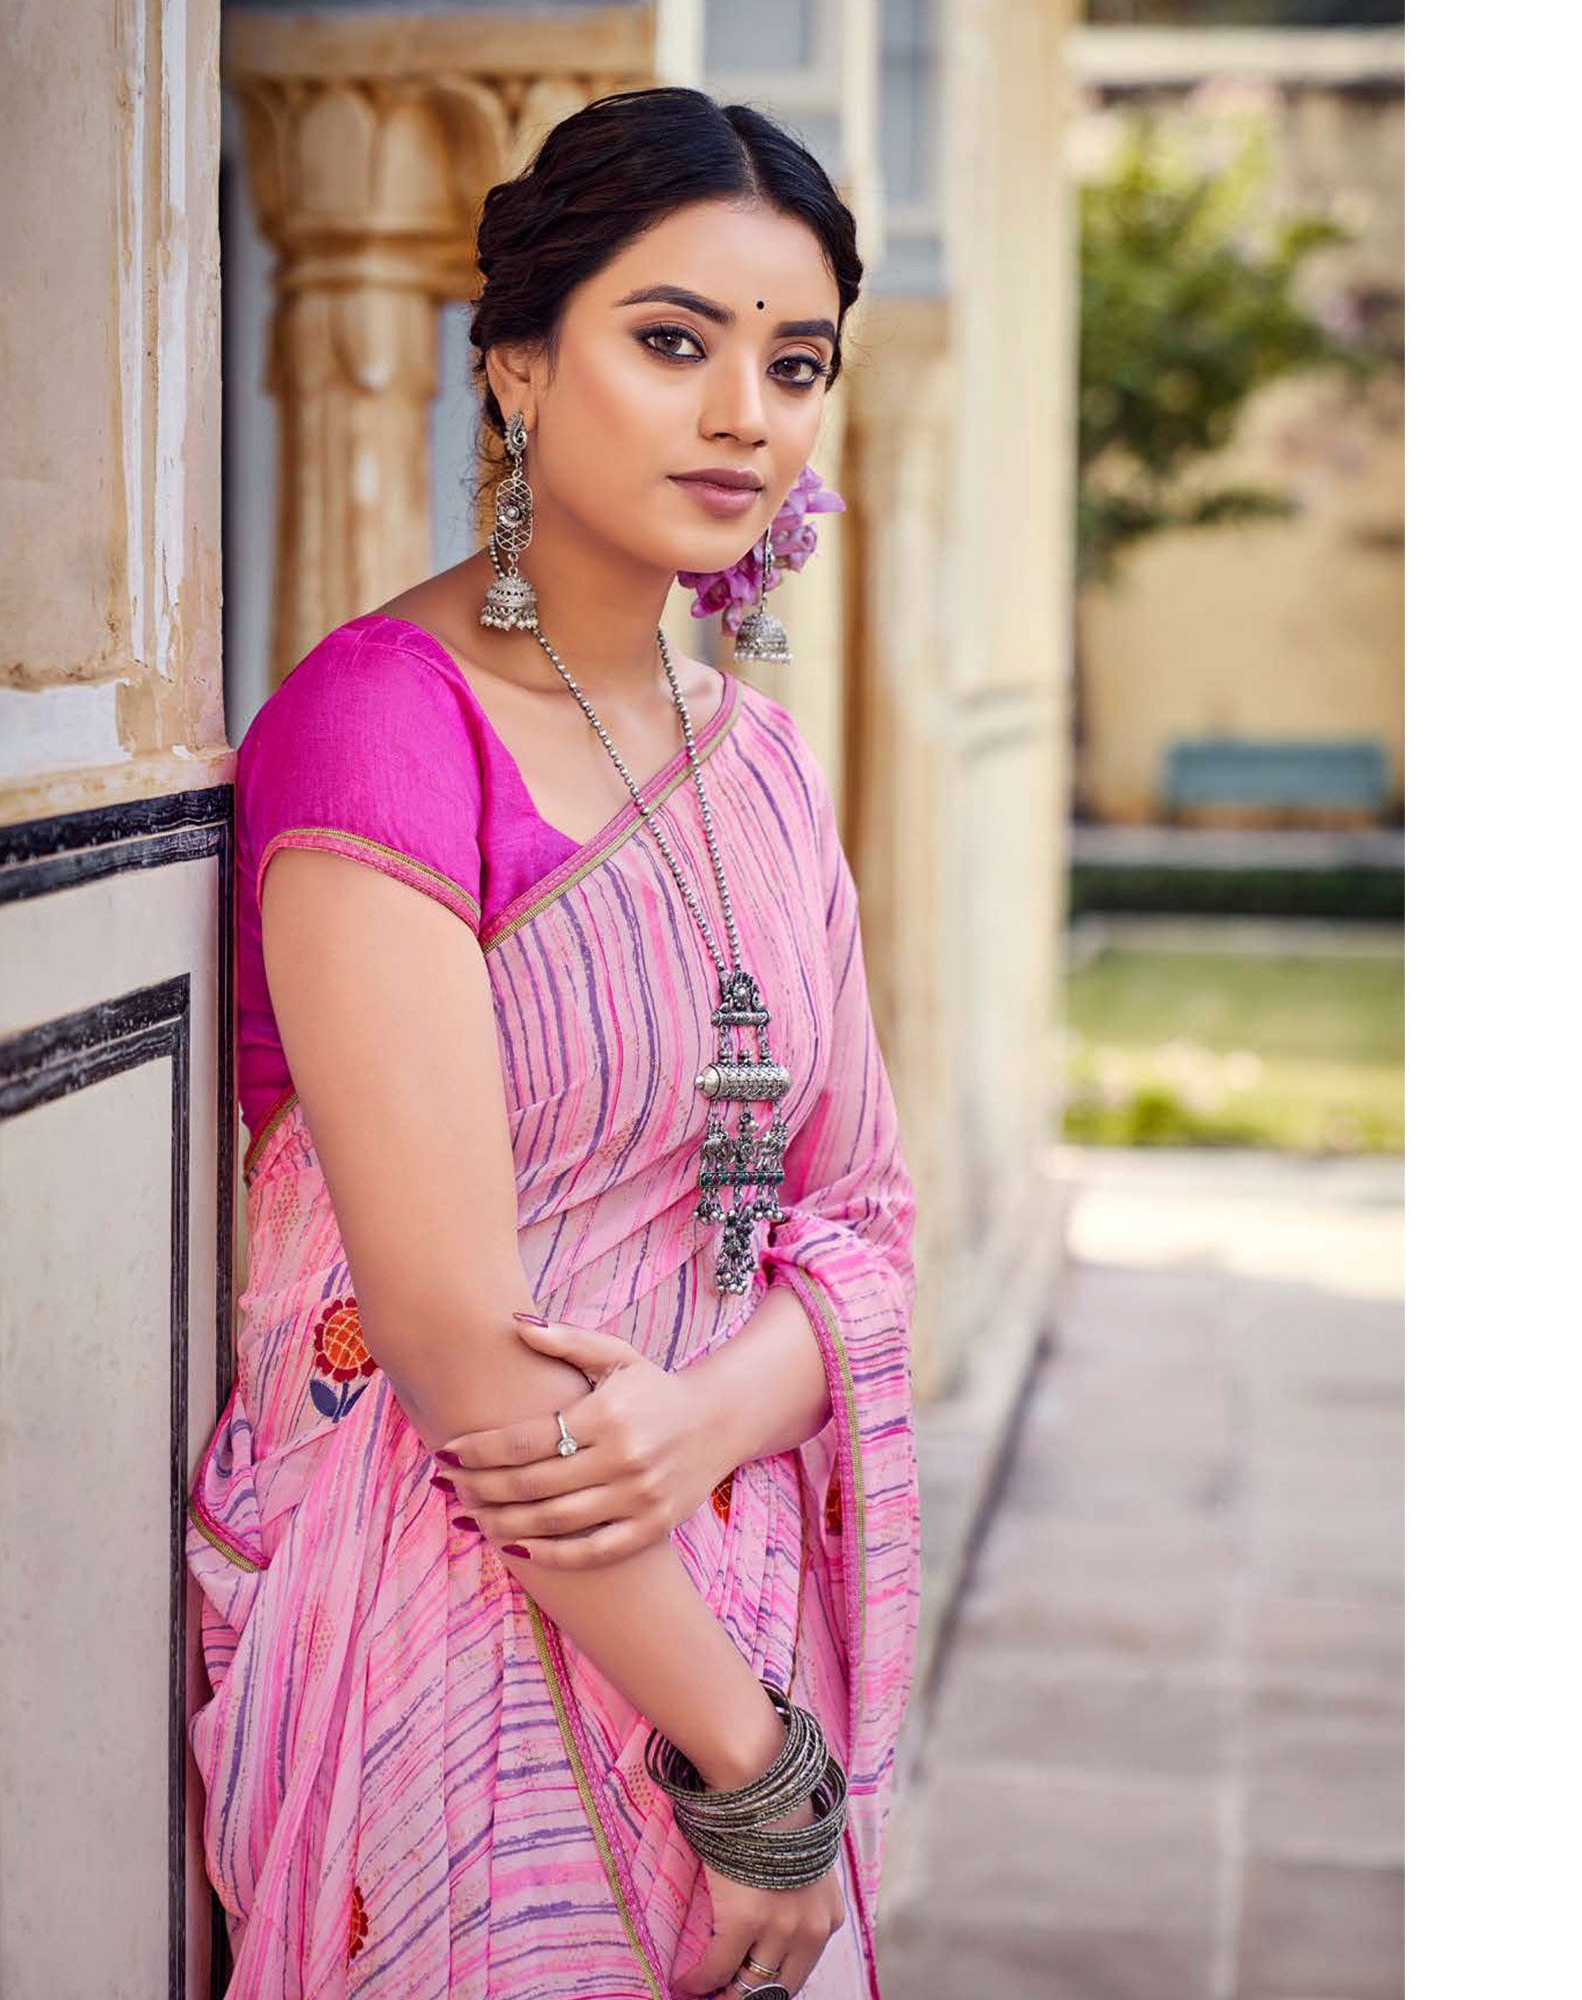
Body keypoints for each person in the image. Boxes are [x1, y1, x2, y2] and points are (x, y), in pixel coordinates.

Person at [185, 85, 920, 2000]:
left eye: (795, 360)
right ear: (514, 368)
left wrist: (698, 1423)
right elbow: (453, 1355)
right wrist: (754, 1773)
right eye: (671, 342)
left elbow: (858, 1218)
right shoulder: (381, 727)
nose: (742, 412)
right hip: (464, 1624)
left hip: (726, 1584)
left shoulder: (752, 759)